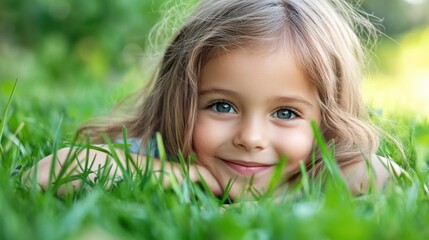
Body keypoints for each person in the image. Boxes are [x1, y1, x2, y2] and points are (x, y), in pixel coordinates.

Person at [30, 0, 404, 200]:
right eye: (222, 106)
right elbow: (48, 174)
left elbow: (388, 179)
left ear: (327, 122)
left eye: (286, 112)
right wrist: (191, 177)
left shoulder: (320, 167)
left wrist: (300, 186)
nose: (251, 137)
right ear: (180, 100)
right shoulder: (157, 153)